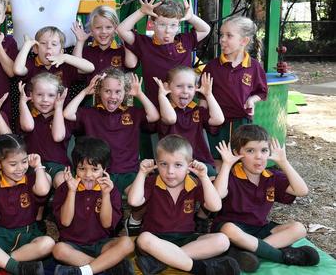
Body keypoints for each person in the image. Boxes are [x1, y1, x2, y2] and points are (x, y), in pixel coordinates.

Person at [127, 135, 240, 275]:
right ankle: (201, 268)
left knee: (223, 241)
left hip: (186, 239)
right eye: (163, 164)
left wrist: (204, 177)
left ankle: (160, 261)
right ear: (156, 163)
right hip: (156, 240)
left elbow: (215, 206)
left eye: (178, 165)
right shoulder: (151, 182)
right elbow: (133, 201)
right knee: (144, 239)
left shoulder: (194, 183)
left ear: (189, 166)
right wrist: (142, 173)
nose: (170, 171)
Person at [213, 124, 319, 272]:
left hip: (260, 228)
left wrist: (283, 162)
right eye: (250, 151)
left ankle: (249, 252)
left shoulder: (271, 176)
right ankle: (281, 256)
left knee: (299, 228)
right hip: (234, 229)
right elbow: (217, 195)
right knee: (229, 229)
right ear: (237, 153)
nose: (259, 156)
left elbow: (302, 191)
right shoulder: (229, 175)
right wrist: (226, 164)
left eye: (264, 150)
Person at [55, 68, 159, 194]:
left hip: (128, 173)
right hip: (98, 174)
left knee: (138, 196)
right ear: (99, 91)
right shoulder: (90, 113)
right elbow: (67, 114)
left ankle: (133, 215)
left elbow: (154, 116)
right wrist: (85, 91)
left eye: (118, 91)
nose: (112, 96)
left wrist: (139, 94)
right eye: (107, 91)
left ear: (125, 92)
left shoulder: (132, 113)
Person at [0, 134, 54, 275]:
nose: (20, 168)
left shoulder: (32, 178)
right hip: (1, 235)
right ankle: (15, 267)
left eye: (24, 161)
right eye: (13, 164)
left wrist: (37, 166)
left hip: (27, 235)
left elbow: (43, 191)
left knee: (48, 243)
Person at [52, 137, 135, 275]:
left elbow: (107, 223)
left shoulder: (110, 190)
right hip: (73, 246)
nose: (88, 175)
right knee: (58, 250)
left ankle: (86, 270)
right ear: (74, 168)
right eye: (82, 168)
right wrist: (72, 191)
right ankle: (107, 267)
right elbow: (65, 222)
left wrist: (106, 195)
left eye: (95, 169)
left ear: (105, 169)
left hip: (102, 245)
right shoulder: (65, 188)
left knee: (127, 243)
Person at [115, 0, 211, 107]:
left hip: (184, 108)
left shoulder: (185, 41)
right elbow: (121, 29)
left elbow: (205, 29)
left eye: (173, 25)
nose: (168, 31)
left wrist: (192, 17)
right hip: (156, 107)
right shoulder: (145, 44)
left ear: (178, 26)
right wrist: (141, 12)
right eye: (162, 25)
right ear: (152, 23)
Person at [203, 16, 268, 168]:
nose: (222, 39)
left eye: (229, 35)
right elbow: (203, 98)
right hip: (217, 125)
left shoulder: (254, 67)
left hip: (242, 123)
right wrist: (205, 119)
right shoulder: (212, 67)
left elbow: (262, 92)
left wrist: (252, 100)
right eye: (221, 35)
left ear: (244, 41)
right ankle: (221, 190)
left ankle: (240, 189)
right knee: (218, 161)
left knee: (242, 161)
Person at [154, 66, 224, 177]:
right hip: (173, 166)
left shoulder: (197, 111)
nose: (185, 91)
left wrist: (208, 95)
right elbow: (171, 118)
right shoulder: (165, 110)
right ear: (167, 87)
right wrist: (162, 95)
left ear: (196, 88)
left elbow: (218, 119)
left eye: (190, 86)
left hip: (198, 163)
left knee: (211, 175)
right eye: (179, 86)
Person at [18, 74, 72, 188]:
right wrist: (22, 102)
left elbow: (57, 136)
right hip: (34, 165)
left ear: (59, 97)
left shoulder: (62, 117)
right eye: (39, 95)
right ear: (31, 95)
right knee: (41, 186)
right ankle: (39, 205)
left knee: (63, 183)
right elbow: (28, 126)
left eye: (51, 95)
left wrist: (58, 108)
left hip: (59, 166)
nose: (45, 100)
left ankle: (64, 205)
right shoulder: (29, 117)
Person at [72, 5, 138, 83]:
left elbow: (132, 64)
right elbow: (76, 69)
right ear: (91, 30)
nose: (103, 31)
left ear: (115, 29)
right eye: (98, 27)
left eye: (108, 27)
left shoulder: (122, 50)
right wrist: (80, 42)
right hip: (92, 94)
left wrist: (124, 38)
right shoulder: (86, 51)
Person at [13, 27, 94, 90]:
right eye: (43, 43)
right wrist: (27, 45)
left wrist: (65, 57)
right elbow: (18, 70)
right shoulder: (31, 64)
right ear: (36, 49)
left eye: (54, 44)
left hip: (61, 111)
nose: (48, 47)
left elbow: (90, 68)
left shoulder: (65, 66)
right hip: (32, 111)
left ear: (61, 51)